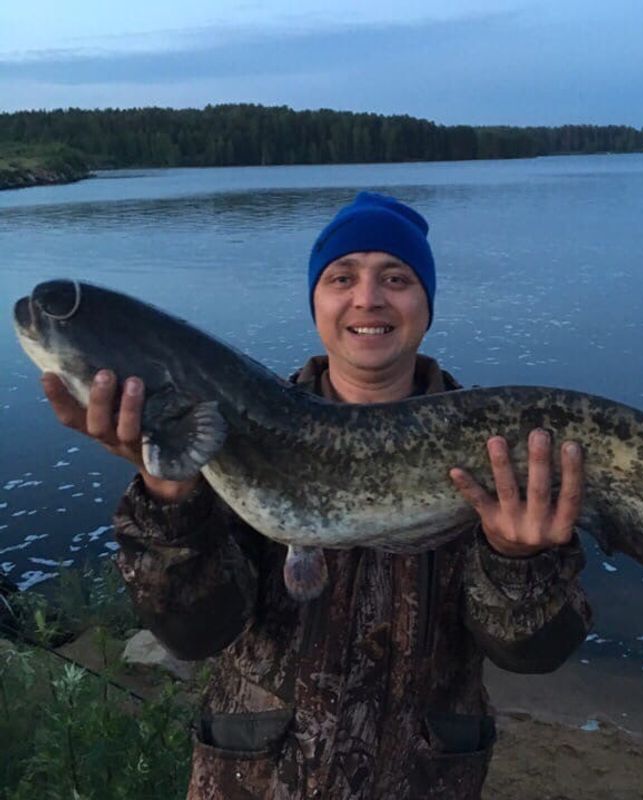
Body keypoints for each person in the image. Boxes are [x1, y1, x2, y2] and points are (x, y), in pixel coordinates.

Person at [42, 192, 592, 799]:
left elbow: (535, 656)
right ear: (315, 302)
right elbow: (195, 636)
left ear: (426, 304)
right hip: (251, 781)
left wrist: (521, 563)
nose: (368, 297)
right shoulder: (224, 431)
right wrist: (169, 498)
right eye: (341, 277)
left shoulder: (500, 451)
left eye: (396, 277)